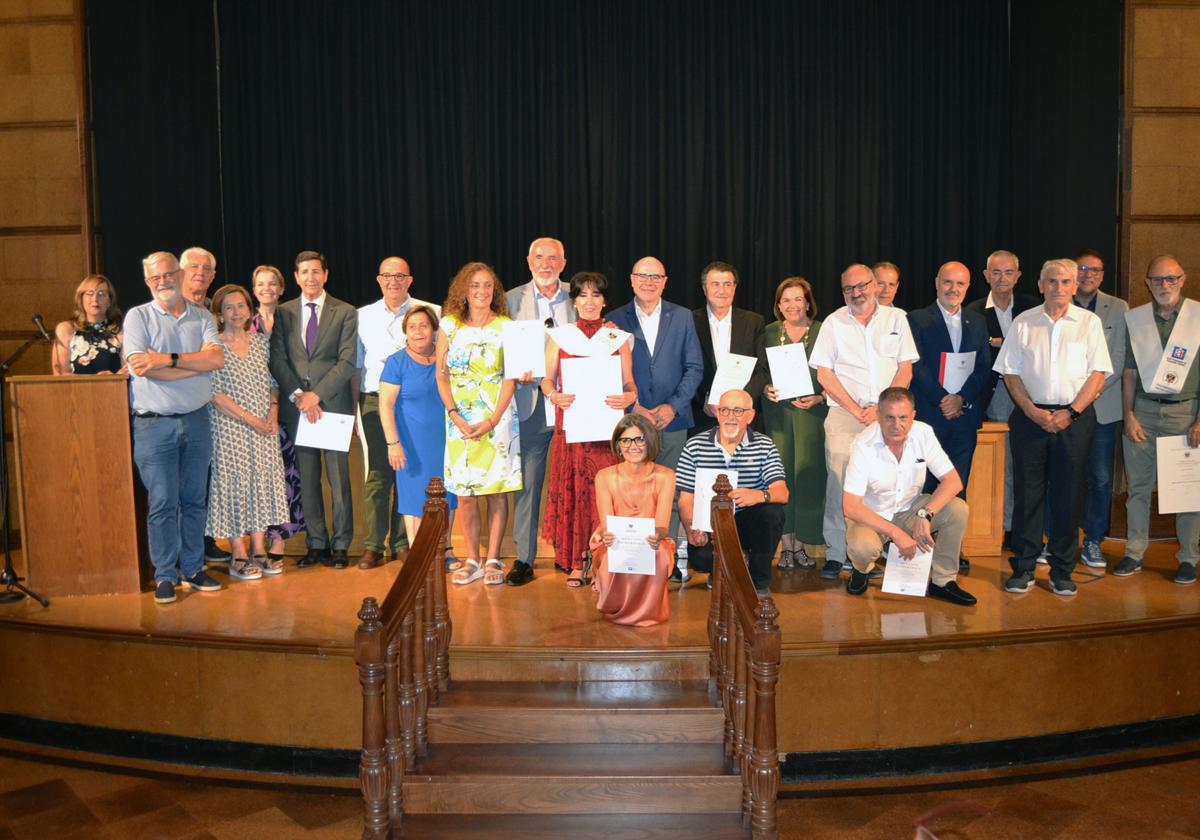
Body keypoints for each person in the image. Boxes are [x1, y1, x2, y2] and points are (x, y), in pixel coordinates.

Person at [995, 259, 1112, 596]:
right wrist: (1031, 410)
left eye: (1065, 281)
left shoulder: (1089, 323)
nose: (1059, 287)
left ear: (1074, 286)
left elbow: (1098, 374)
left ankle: (1062, 570)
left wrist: (1071, 412)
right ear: (1040, 284)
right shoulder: (1023, 322)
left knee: (1069, 494)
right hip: (1030, 419)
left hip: (1074, 421)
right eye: (1052, 281)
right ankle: (1025, 567)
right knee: (1028, 495)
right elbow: (1010, 372)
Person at [123, 251, 224, 604]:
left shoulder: (202, 316)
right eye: (155, 278)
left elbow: (217, 359)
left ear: (180, 274)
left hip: (197, 422)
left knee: (195, 500)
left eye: (168, 274)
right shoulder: (138, 317)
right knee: (163, 502)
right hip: (154, 427)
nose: (163, 282)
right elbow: (140, 367)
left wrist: (166, 359)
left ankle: (194, 568)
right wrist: (194, 366)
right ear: (147, 281)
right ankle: (165, 575)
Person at [809, 263, 918, 580]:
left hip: (889, 416)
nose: (856, 293)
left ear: (875, 285)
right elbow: (824, 374)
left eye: (862, 286)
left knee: (885, 484)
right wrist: (857, 410)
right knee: (840, 483)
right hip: (845, 414)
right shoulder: (833, 323)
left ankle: (874, 551)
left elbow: (905, 369)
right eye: (849, 289)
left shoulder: (897, 319)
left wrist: (883, 408)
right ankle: (835, 553)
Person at [608, 256, 704, 582]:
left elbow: (695, 368)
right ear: (632, 280)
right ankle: (632, 559)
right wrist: (635, 408)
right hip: (631, 422)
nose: (649, 282)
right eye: (643, 276)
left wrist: (672, 407)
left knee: (672, 494)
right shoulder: (613, 320)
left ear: (665, 281)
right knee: (632, 493)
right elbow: (608, 372)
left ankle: (670, 559)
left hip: (673, 421)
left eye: (656, 277)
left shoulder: (682, 317)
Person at [539, 272, 638, 587]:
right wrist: (554, 395)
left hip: (607, 432)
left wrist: (630, 396)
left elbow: (629, 383)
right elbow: (546, 380)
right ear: (575, 301)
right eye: (583, 295)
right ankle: (578, 561)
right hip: (574, 430)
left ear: (605, 301)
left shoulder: (617, 337)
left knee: (606, 495)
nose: (589, 301)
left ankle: (604, 564)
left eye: (596, 295)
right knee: (577, 493)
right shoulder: (561, 336)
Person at [268, 250, 359, 569]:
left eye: (316, 271)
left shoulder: (346, 312)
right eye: (304, 272)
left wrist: (316, 395)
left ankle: (341, 544)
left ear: (326, 274)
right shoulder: (282, 312)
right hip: (297, 408)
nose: (311, 277)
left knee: (338, 480)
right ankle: (316, 543)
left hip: (332, 406)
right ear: (295, 277)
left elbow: (347, 361)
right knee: (307, 480)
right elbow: (277, 358)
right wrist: (298, 395)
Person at [841, 387, 974, 604]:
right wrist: (896, 533)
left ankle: (943, 581)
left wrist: (925, 514)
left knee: (958, 509)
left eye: (903, 417)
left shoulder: (924, 433)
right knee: (863, 547)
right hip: (871, 516)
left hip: (911, 509)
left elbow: (953, 482)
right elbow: (851, 507)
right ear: (878, 417)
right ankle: (861, 569)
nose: (897, 425)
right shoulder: (863, 444)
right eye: (890, 418)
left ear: (913, 416)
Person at [437, 261, 522, 586]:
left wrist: (492, 419)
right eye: (475, 285)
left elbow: (511, 377)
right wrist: (455, 414)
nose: (482, 291)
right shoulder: (448, 326)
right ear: (464, 290)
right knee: (467, 492)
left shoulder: (506, 326)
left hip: (497, 418)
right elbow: (441, 376)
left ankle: (493, 559)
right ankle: (472, 557)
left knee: (496, 491)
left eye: (488, 286)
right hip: (458, 420)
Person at [1117, 255, 1199, 585]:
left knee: (1187, 490)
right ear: (1147, 283)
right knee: (1137, 488)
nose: (1164, 285)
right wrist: (1129, 416)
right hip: (1144, 413)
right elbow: (1129, 373)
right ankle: (1134, 552)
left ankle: (1189, 558)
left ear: (1183, 279)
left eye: (1171, 279)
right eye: (1158, 280)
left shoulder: (1197, 317)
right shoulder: (1136, 320)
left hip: (1185, 413)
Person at [906, 261, 992, 573]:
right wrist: (943, 399)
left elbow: (984, 366)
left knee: (958, 483)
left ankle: (950, 549)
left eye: (960, 284)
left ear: (968, 287)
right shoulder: (916, 319)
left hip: (964, 417)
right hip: (931, 415)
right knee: (925, 484)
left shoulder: (977, 322)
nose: (953, 289)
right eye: (947, 282)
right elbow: (915, 365)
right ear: (936, 283)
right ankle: (920, 545)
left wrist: (962, 399)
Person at [356, 256, 441, 570]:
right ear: (379, 280)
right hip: (376, 400)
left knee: (410, 470)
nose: (393, 281)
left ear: (410, 280)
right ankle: (373, 546)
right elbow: (356, 366)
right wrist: (354, 411)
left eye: (400, 276)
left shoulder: (432, 312)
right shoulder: (361, 316)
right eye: (387, 276)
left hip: (418, 404)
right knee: (379, 473)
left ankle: (403, 544)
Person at [503, 237, 575, 587]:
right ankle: (524, 558)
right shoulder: (509, 301)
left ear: (563, 263)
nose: (546, 264)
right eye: (539, 257)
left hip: (573, 405)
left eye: (553, 258)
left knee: (573, 482)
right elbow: (500, 352)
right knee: (529, 484)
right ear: (528, 261)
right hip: (530, 404)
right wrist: (516, 369)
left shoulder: (580, 296)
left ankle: (571, 554)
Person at [205, 284, 290, 579]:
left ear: (249, 309)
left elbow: (272, 383)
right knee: (235, 485)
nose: (236, 312)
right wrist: (250, 419)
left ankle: (259, 548)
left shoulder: (259, 343)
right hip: (229, 427)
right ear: (219, 312)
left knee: (260, 482)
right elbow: (214, 393)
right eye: (228, 307)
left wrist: (272, 411)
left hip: (264, 426)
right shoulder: (212, 345)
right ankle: (238, 553)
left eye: (241, 305)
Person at [677, 389, 789, 597]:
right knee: (700, 557)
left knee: (772, 513)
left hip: (748, 521)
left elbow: (782, 493)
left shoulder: (765, 445)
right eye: (725, 410)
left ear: (751, 416)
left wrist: (758, 495)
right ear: (717, 413)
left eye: (738, 411)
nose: (730, 417)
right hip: (712, 525)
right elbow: (685, 500)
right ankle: (721, 572)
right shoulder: (694, 446)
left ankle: (758, 581)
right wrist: (691, 526)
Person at [966, 250, 1038, 546]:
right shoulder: (972, 311)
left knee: (1030, 467)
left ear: (1018, 276)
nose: (1002, 278)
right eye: (996, 272)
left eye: (1008, 272)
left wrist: (999, 343)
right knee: (1000, 467)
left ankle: (1028, 530)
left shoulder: (1034, 309)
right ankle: (1004, 528)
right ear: (986, 276)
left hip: (1032, 396)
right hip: (992, 396)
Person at [379, 305, 458, 563]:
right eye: (412, 327)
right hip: (411, 445)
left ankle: (445, 550)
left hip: (446, 443)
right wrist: (393, 443)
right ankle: (419, 556)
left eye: (423, 325)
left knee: (448, 495)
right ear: (405, 333)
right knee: (415, 499)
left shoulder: (447, 359)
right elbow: (386, 406)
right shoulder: (396, 363)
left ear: (434, 330)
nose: (418, 331)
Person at [759, 276, 827, 569]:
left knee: (809, 477)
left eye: (798, 299)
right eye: (785, 300)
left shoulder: (825, 332)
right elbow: (758, 371)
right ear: (778, 305)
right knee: (781, 476)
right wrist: (764, 388)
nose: (792, 305)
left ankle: (802, 544)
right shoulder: (769, 332)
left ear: (808, 302)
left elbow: (839, 372)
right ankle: (786, 546)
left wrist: (821, 396)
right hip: (779, 415)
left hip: (812, 415)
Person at [590, 415, 677, 626]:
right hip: (613, 538)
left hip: (653, 538)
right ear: (619, 446)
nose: (633, 446)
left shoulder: (666, 476)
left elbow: (663, 524)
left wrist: (658, 536)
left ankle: (649, 613)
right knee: (614, 555)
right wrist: (609, 537)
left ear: (650, 441)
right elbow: (607, 523)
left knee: (658, 554)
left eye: (640, 439)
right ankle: (616, 608)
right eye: (626, 440)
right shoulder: (604, 476)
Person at [176, 245, 233, 567]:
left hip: (216, 407)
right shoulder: (169, 310)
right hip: (180, 406)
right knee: (179, 485)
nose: (199, 273)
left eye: (206, 269)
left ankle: (205, 540)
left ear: (213, 276)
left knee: (206, 479)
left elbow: (218, 359)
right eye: (193, 267)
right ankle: (181, 554)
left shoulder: (214, 311)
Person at [1072, 250, 1128, 570]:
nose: (1088, 274)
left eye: (1095, 270)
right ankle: (1059, 536)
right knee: (1064, 475)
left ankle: (1093, 539)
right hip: (1066, 408)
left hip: (1102, 407)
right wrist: (1073, 400)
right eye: (1082, 268)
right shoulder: (1061, 303)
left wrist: (1088, 395)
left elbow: (1118, 360)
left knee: (1101, 478)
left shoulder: (1118, 309)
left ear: (1102, 275)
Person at [248, 265, 305, 564]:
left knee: (286, 476)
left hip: (290, 406)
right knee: (259, 477)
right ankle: (257, 541)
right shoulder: (245, 322)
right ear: (254, 289)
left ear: (283, 288)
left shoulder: (292, 319)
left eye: (273, 283)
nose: (267, 288)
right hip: (255, 409)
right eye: (261, 283)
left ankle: (279, 542)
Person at [690, 261, 766, 434]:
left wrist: (739, 404)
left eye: (727, 284)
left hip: (744, 417)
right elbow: (683, 368)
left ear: (735, 288)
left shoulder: (754, 322)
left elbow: (763, 368)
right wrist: (703, 401)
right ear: (704, 288)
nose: (722, 290)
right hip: (702, 415)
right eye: (715, 284)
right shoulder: (689, 321)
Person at [52, 274, 124, 375]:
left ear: (110, 301)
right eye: (90, 293)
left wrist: (114, 377)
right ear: (81, 299)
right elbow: (61, 374)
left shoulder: (121, 330)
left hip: (113, 389)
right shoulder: (66, 329)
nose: (95, 298)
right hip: (75, 390)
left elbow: (129, 370)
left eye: (101, 294)